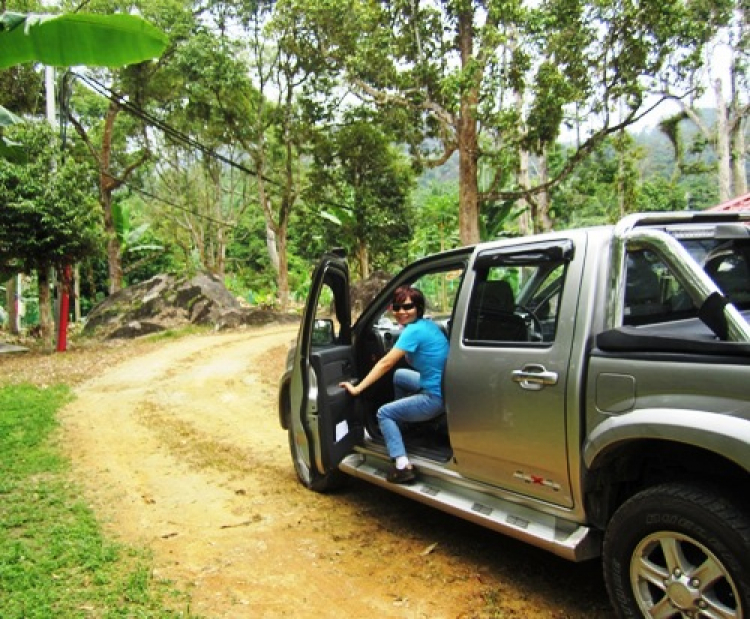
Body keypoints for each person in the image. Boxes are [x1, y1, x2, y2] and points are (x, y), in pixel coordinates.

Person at [340, 285, 449, 484]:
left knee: (384, 413)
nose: (401, 312)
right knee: (400, 376)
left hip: (435, 397)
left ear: (418, 307)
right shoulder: (428, 326)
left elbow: (385, 363)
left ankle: (402, 466)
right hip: (444, 386)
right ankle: (401, 427)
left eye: (407, 307)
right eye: (396, 308)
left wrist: (357, 388)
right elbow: (404, 363)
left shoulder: (412, 332)